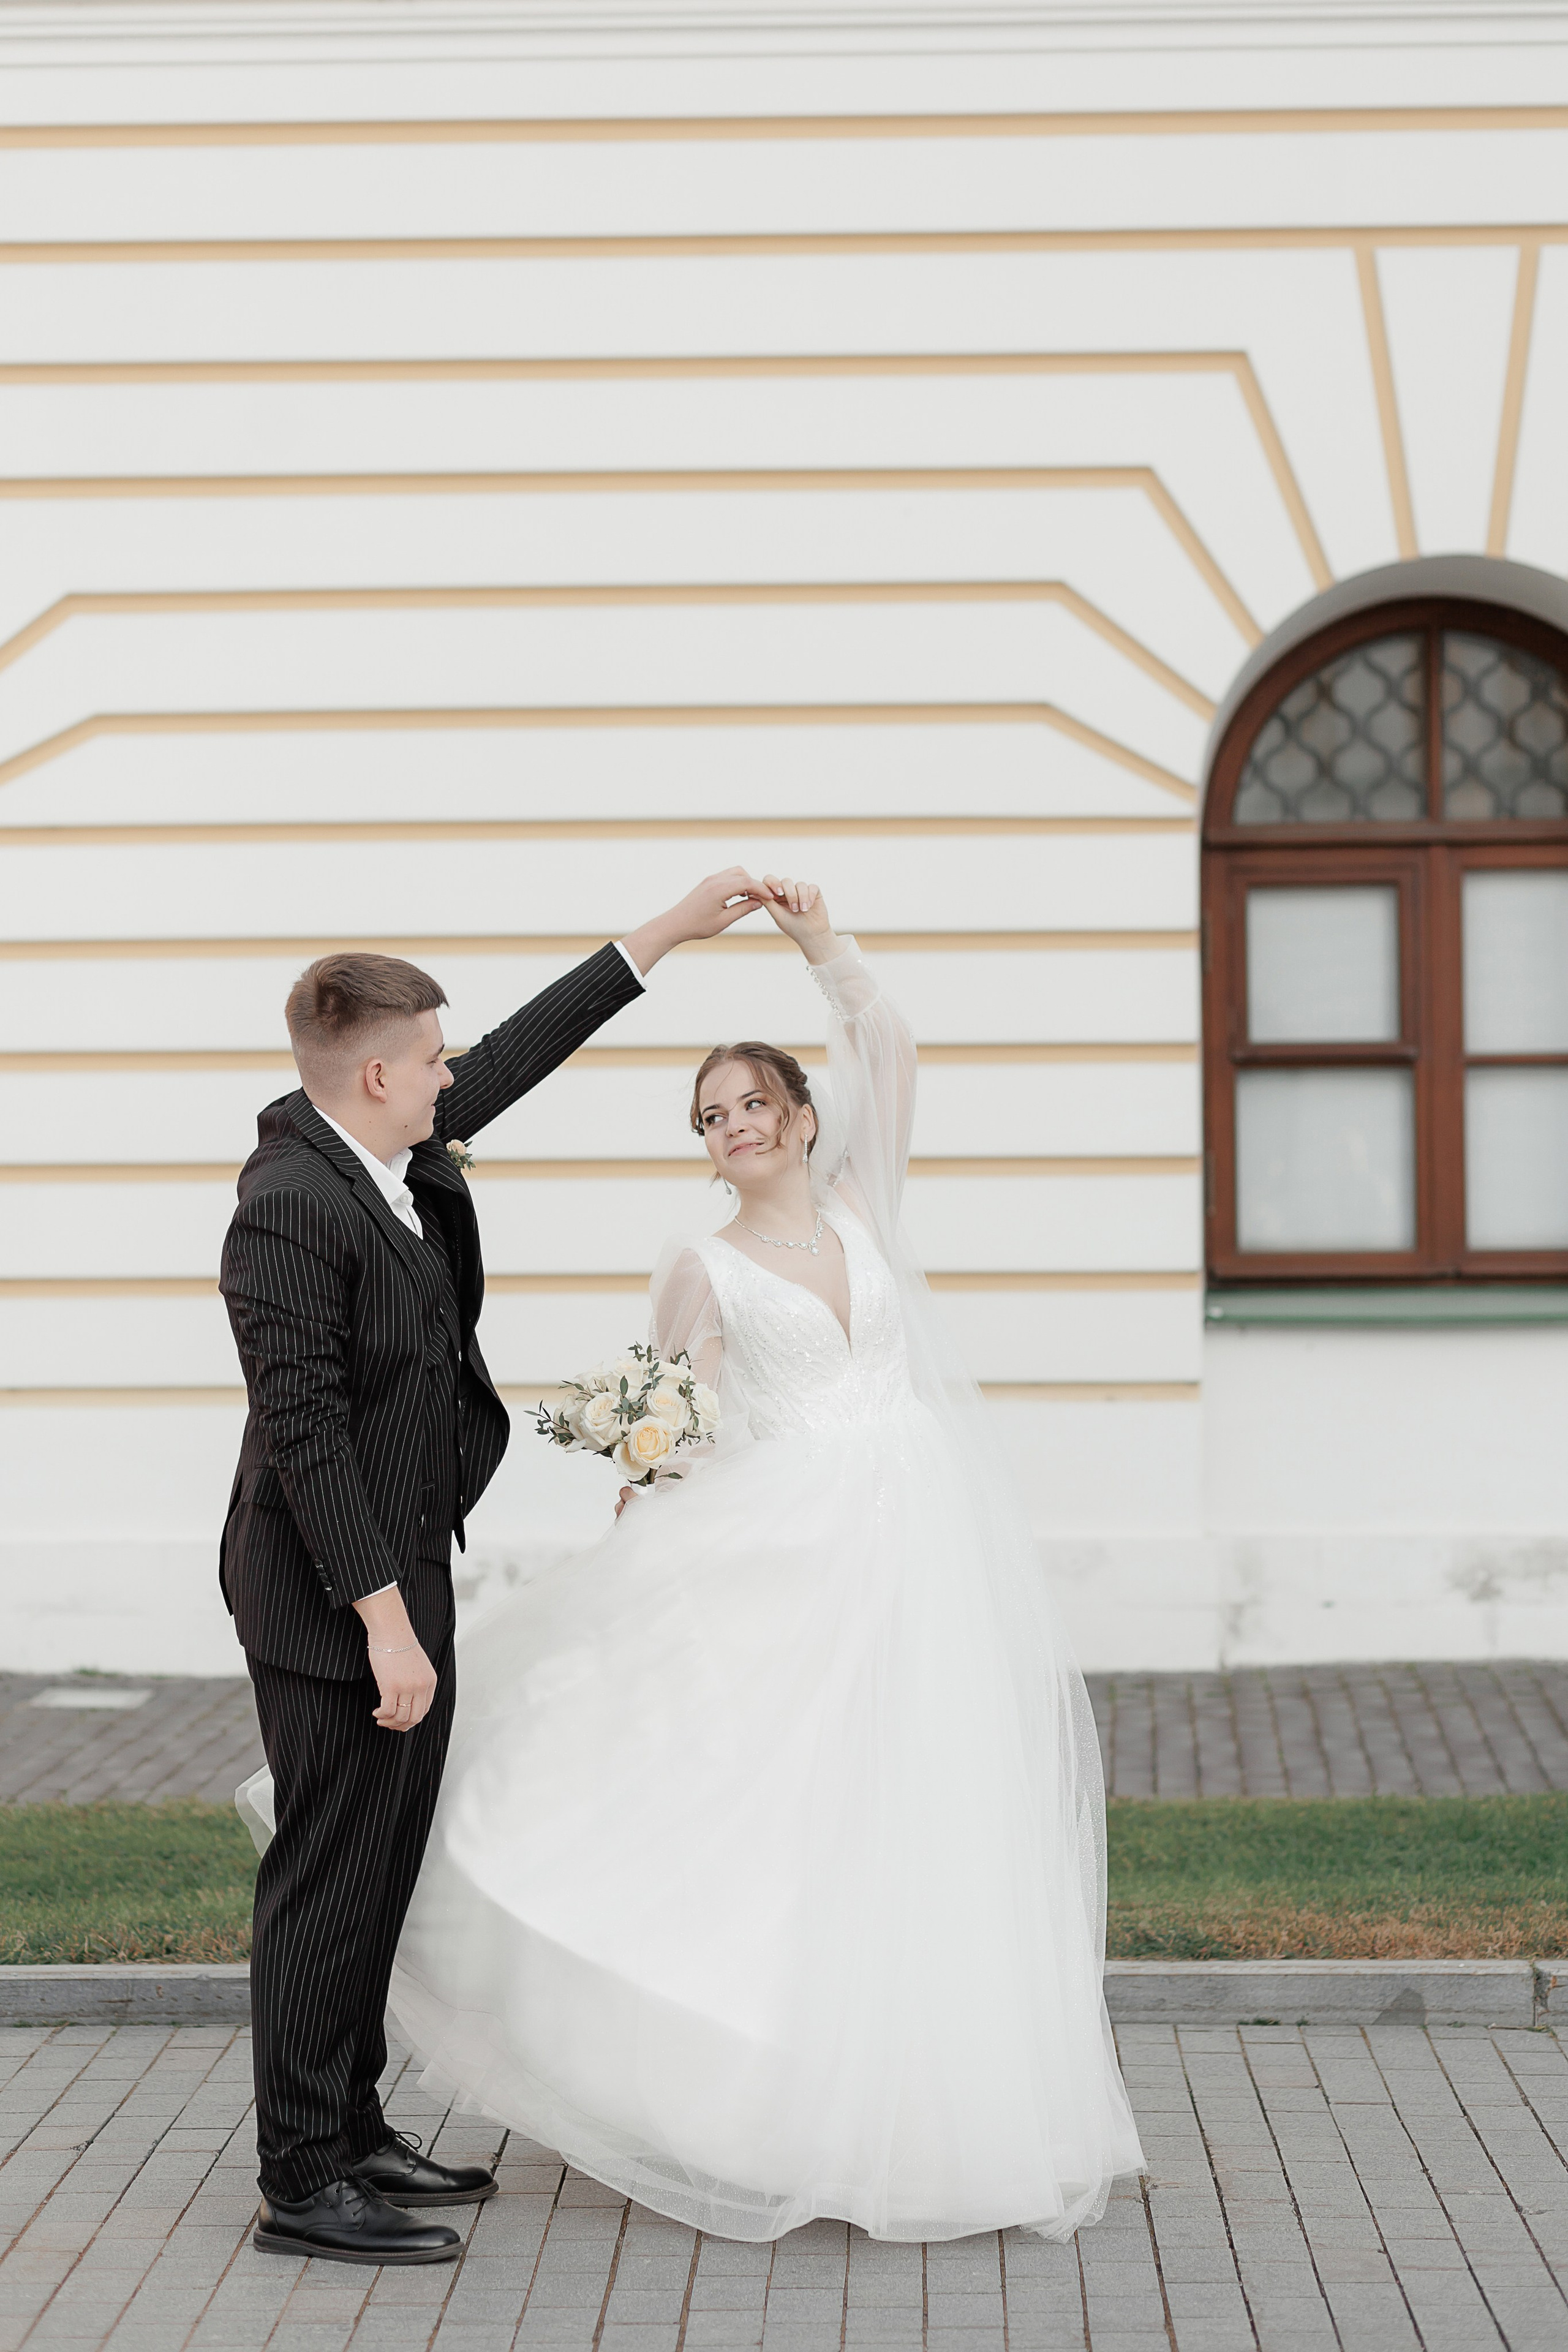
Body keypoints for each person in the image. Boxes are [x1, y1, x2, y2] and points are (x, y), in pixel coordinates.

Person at [384, 876, 1145, 2244]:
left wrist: (811, 939)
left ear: (799, 1116)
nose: (731, 1128)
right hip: (790, 1545)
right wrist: (642, 1509)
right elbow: (680, 1425)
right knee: (790, 1815)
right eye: (708, 1118)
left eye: (749, 1104)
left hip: (922, 1543)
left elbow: (891, 1041)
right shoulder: (701, 1260)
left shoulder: (863, 1200)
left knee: (928, 1807)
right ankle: (770, 2097)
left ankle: (935, 2100)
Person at [219, 870, 769, 2268]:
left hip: (405, 1567)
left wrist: (661, 936)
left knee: (384, 1864)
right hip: (334, 1595)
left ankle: (348, 2128)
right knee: (326, 1874)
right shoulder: (290, 1204)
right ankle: (300, 2181)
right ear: (381, 1068)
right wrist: (386, 1631)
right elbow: (305, 1441)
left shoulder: (389, 1154)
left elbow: (517, 1055)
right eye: (439, 1058)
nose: (457, 1074)